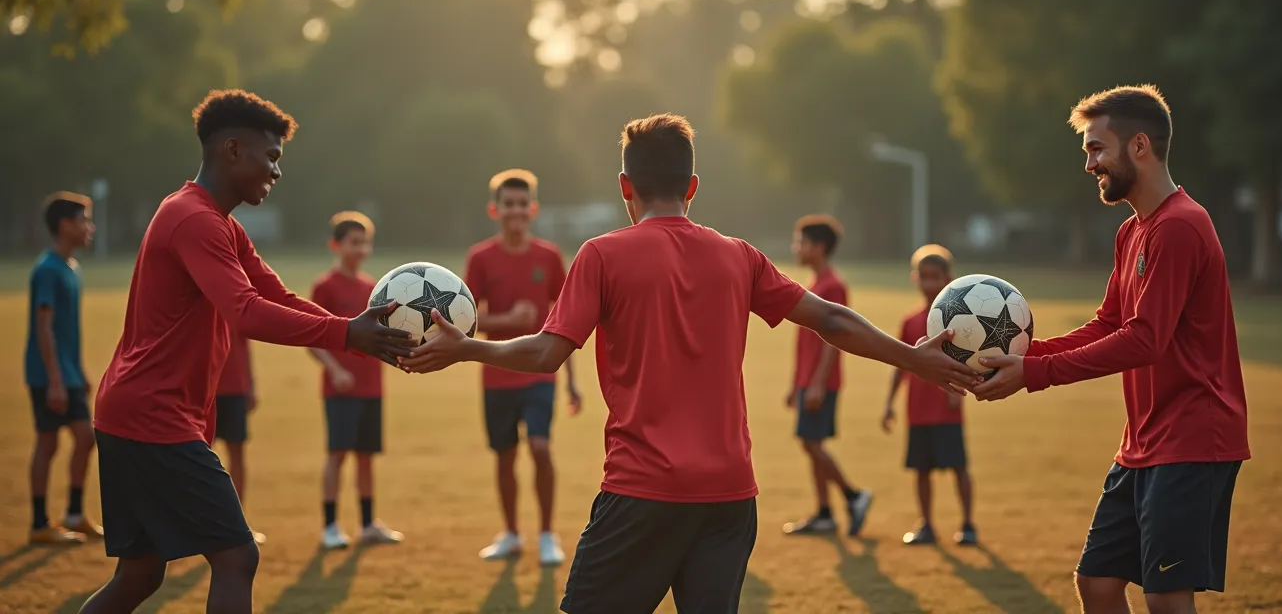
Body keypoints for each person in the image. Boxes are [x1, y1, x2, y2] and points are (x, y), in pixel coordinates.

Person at [400, 113, 979, 613]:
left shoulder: (602, 254)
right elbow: (830, 318)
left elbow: (546, 352)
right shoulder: (739, 256)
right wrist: (912, 359)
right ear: (693, 186)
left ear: (625, 185)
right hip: (730, 496)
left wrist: (466, 347)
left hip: (643, 490)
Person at [80, 89, 414, 614]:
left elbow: (276, 297)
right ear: (233, 150)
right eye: (272, 156)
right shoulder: (195, 220)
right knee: (236, 556)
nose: (277, 172)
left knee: (140, 575)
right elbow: (246, 312)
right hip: (152, 416)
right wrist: (348, 334)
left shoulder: (221, 224)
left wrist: (356, 332)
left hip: (138, 413)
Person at [972, 85, 1249, 614]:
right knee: (1097, 582)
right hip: (1144, 441)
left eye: (1097, 149)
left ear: (1139, 146)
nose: (1090, 164)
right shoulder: (1133, 231)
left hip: (1193, 438)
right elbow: (1110, 323)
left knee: (1166, 598)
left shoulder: (1181, 226)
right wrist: (1021, 359)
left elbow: (1145, 339)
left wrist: (1036, 373)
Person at [464, 169, 580, 566]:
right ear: (494, 210)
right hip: (496, 373)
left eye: (522, 204)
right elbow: (466, 320)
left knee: (540, 446)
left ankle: (547, 534)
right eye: (507, 204)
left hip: (539, 372)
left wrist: (573, 381)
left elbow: (568, 320)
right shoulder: (480, 258)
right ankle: (511, 534)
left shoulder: (548, 257)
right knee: (504, 455)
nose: (515, 211)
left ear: (533, 209)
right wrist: (507, 320)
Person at [310, 211, 404, 550]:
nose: (361, 249)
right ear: (336, 245)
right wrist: (335, 369)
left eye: (365, 242)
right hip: (341, 389)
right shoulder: (325, 286)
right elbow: (312, 338)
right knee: (337, 454)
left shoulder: (374, 288)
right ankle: (331, 525)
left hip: (371, 387)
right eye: (354, 242)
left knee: (366, 456)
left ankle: (367, 525)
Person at [782, 214, 873, 537]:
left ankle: (854, 496)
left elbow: (833, 342)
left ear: (818, 247)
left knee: (812, 444)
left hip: (822, 382)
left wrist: (818, 382)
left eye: (801, 242)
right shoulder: (816, 285)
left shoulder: (833, 286)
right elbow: (805, 343)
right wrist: (797, 384)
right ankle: (824, 513)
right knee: (810, 443)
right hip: (809, 381)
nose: (796, 248)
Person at [881, 244, 976, 546]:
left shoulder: (958, 322)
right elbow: (901, 364)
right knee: (921, 470)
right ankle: (927, 525)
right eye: (924, 277)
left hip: (945, 407)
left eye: (936, 277)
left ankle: (968, 524)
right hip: (917, 409)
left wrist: (958, 394)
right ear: (915, 278)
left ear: (948, 278)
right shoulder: (910, 322)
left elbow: (967, 360)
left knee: (958, 467)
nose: (929, 284)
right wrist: (888, 404)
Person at [25, 191, 101, 545]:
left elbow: (68, 332)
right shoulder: (48, 270)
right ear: (64, 225)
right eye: (84, 220)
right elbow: (44, 327)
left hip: (66, 372)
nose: (90, 227)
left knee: (81, 439)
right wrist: (55, 379)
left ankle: (73, 514)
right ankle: (40, 523)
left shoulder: (72, 269)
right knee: (52, 441)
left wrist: (78, 372)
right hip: (48, 374)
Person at [214, 330, 264, 545]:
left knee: (237, 454)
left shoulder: (235, 299)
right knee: (197, 454)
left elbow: (245, 345)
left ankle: (237, 523)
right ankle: (195, 524)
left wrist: (250, 385)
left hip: (234, 387)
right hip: (204, 388)